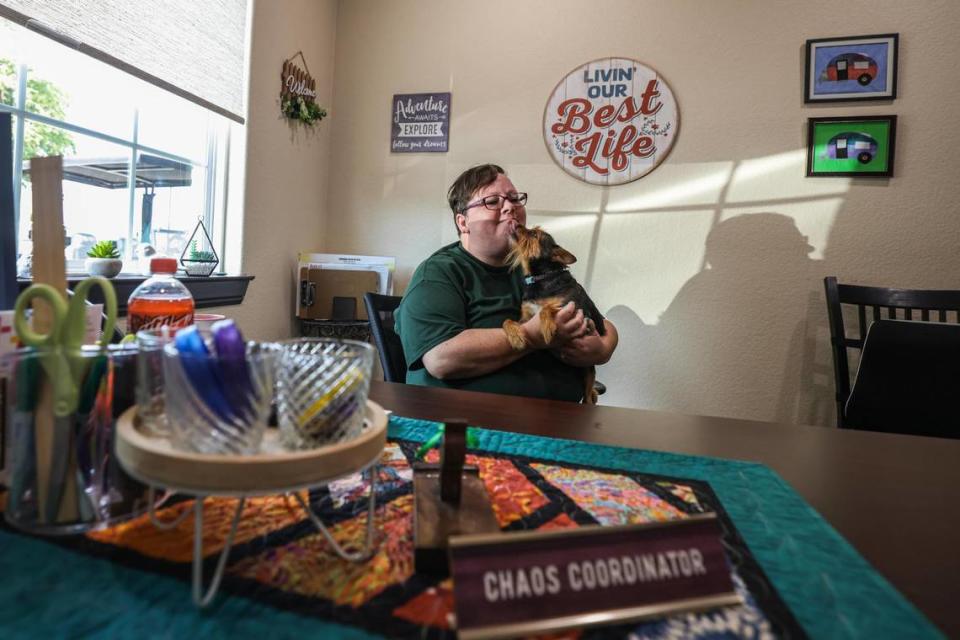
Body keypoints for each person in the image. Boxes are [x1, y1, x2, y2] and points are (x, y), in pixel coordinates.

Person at [395, 164, 618, 401]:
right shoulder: (439, 273)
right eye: (492, 201)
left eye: (515, 199)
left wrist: (602, 349)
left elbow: (602, 323)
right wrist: (531, 337)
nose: (510, 206)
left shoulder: (535, 268)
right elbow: (441, 359)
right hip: (471, 423)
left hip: (560, 419)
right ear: (463, 222)